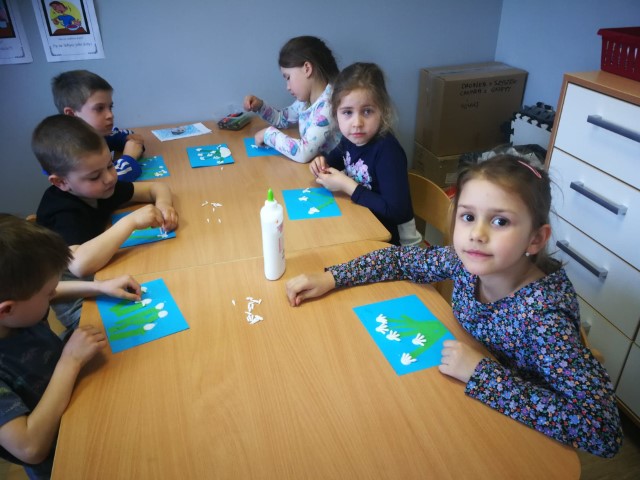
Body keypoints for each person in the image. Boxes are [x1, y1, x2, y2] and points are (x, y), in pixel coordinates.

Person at [286, 154, 623, 457]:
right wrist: (333, 276)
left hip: (519, 437)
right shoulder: (465, 261)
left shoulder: (545, 319)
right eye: (468, 216)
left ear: (535, 239)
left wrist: (481, 373)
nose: (477, 234)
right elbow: (402, 260)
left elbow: (603, 431)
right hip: (466, 399)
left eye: (500, 221)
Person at [0, 214, 142, 480]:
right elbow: (30, 448)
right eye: (49, 295)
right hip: (66, 458)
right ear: (6, 310)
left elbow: (47, 290)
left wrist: (100, 287)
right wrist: (70, 362)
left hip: (83, 402)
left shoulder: (15, 311)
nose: (54, 296)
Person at [33, 114, 178, 330]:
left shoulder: (101, 188)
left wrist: (164, 205)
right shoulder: (62, 211)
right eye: (94, 176)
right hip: (79, 302)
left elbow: (157, 187)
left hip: (105, 274)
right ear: (61, 182)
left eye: (110, 165)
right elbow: (81, 266)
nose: (110, 178)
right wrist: (130, 222)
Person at [309, 62, 421, 246]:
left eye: (367, 111)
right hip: (364, 223)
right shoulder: (350, 139)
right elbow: (333, 161)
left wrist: (347, 185)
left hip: (395, 244)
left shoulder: (388, 151)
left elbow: (397, 212)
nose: (357, 123)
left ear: (382, 111)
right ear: (336, 114)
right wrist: (321, 162)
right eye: (347, 112)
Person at [243, 35, 341, 163]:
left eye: (288, 77)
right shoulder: (306, 102)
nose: (287, 87)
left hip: (335, 171)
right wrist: (260, 106)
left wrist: (268, 135)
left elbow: (303, 152)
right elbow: (281, 118)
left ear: (307, 69)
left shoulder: (328, 106)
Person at [52, 69, 143, 181]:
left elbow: (115, 136)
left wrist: (127, 138)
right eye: (99, 108)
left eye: (110, 107)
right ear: (72, 114)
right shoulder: (71, 152)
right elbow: (108, 181)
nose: (110, 115)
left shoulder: (94, 133)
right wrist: (130, 157)